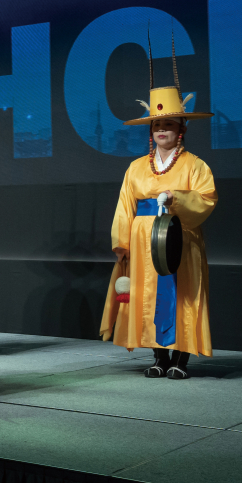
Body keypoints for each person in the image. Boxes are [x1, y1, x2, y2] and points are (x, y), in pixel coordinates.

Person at [100, 46, 216, 379]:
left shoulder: (195, 165)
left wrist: (176, 198)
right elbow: (125, 205)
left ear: (181, 128)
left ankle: (180, 358)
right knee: (148, 294)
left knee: (180, 295)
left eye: (168, 123)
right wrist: (122, 244)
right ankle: (158, 357)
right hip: (143, 241)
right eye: (156, 124)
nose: (161, 129)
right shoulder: (136, 167)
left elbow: (206, 199)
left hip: (179, 237)